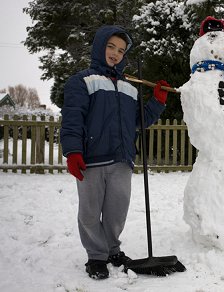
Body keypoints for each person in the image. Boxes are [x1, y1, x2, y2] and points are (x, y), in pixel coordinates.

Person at [60, 25, 170, 280]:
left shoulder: (130, 86)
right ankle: (96, 256)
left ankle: (112, 250)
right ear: (100, 47)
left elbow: (139, 121)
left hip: (122, 159)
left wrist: (157, 101)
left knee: (116, 211)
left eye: (121, 50)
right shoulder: (82, 81)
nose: (115, 53)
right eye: (111, 46)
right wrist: (73, 151)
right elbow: (73, 118)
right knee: (89, 211)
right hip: (91, 159)